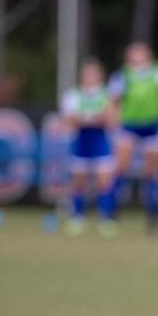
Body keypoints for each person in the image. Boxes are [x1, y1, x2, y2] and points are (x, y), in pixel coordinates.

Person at [108, 41, 158, 230]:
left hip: (152, 125)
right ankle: (111, 212)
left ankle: (153, 214)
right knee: (121, 166)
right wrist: (114, 123)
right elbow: (114, 102)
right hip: (129, 126)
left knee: (152, 171)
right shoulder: (122, 76)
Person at [61, 58, 120, 236]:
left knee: (105, 181)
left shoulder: (107, 94)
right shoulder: (73, 95)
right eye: (88, 73)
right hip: (82, 142)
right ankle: (78, 216)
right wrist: (92, 118)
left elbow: (111, 120)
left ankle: (106, 218)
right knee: (79, 181)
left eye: (94, 74)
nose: (91, 77)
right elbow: (69, 121)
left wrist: (88, 118)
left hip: (101, 142)